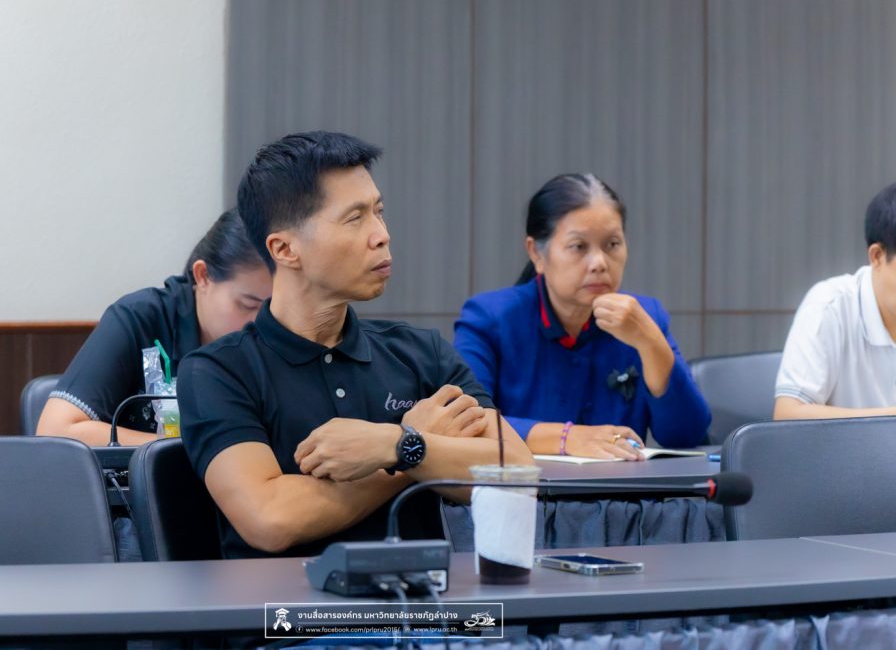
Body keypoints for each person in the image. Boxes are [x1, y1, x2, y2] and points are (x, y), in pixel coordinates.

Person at [178, 131, 532, 558]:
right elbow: (270, 519)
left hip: (421, 597)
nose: (381, 235)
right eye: (354, 218)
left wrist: (395, 445)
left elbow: (518, 473)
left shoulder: (422, 353)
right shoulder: (217, 371)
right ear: (285, 249)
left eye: (379, 212)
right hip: (288, 602)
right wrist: (413, 450)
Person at [454, 173, 710, 459]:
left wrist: (651, 343)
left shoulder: (644, 317)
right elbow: (467, 422)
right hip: (525, 483)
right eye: (579, 246)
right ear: (536, 253)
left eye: (612, 244)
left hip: (620, 486)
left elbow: (687, 435)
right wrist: (567, 438)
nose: (599, 263)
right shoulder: (489, 318)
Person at [38, 209, 272, 446]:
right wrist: (188, 449)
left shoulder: (281, 335)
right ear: (203, 276)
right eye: (248, 304)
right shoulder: (139, 319)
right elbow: (56, 430)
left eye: (273, 308)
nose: (260, 322)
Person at [775, 183, 896, 419]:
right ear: (877, 257)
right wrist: (890, 419)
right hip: (848, 446)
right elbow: (787, 414)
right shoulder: (828, 307)